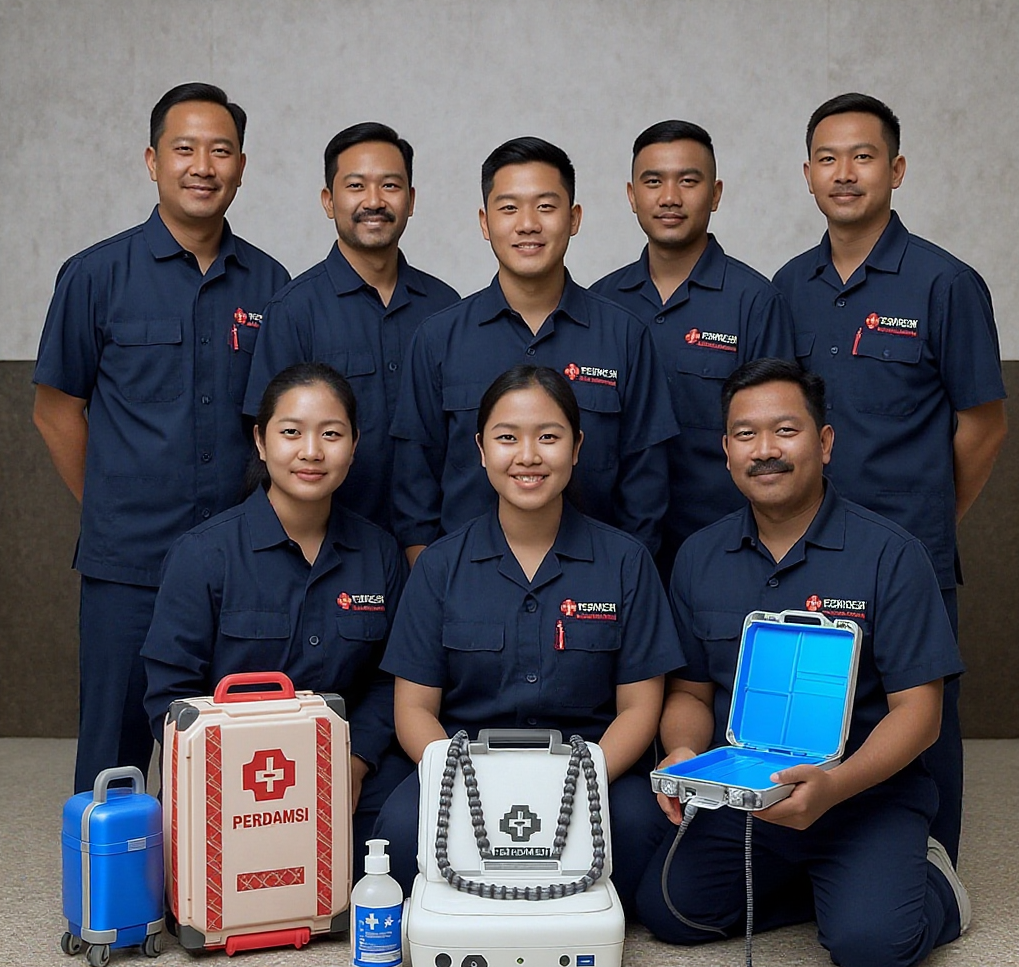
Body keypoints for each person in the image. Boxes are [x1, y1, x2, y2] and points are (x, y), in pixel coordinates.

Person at [636, 358, 969, 967]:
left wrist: (835, 787)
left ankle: (930, 883)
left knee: (874, 949)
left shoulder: (891, 555)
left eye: (785, 431)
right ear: (726, 451)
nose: (765, 451)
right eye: (745, 434)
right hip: (750, 796)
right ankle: (828, 892)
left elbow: (921, 715)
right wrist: (681, 750)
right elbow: (688, 689)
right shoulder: (699, 557)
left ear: (825, 443)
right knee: (671, 912)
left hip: (865, 795)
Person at [32, 83, 290, 794]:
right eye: (184, 148)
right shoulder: (95, 276)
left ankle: (218, 901)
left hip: (240, 562)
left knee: (231, 748)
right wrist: (108, 506)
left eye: (220, 150)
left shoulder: (271, 284)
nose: (202, 165)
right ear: (152, 161)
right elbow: (55, 410)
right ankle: (105, 902)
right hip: (129, 564)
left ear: (241, 166)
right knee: (114, 751)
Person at [772, 93, 1008, 865]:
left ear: (896, 170)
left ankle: (931, 867)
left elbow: (983, 424)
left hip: (910, 549)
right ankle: (819, 860)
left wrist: (931, 518)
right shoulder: (788, 287)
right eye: (829, 159)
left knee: (920, 711)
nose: (846, 174)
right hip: (808, 549)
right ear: (807, 174)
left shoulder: (946, 284)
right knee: (811, 710)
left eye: (864, 157)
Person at [372, 365, 682, 911]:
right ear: (481, 448)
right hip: (464, 768)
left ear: (577, 446)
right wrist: (467, 785)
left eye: (549, 436)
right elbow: (414, 709)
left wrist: (579, 783)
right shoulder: (441, 566)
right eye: (507, 438)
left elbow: (639, 707)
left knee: (642, 838)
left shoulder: (625, 561)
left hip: (589, 765)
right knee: (398, 838)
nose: (528, 456)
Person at [143, 363, 409, 863]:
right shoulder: (204, 554)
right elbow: (171, 695)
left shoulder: (379, 553)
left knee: (407, 832)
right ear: (262, 442)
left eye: (331, 434)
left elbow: (389, 679)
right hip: (225, 775)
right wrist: (229, 778)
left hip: (340, 765)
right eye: (291, 433)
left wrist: (353, 763)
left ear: (353, 446)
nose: (311, 451)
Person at [391, 137, 677, 565]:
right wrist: (437, 588)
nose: (528, 224)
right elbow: (414, 488)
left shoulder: (624, 336)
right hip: (465, 590)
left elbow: (646, 489)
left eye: (546, 206)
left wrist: (618, 587)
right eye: (509, 208)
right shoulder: (438, 338)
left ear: (574, 217)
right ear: (485, 223)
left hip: (595, 592)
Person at [591, 120, 796, 572]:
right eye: (653, 181)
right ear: (632, 195)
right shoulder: (599, 303)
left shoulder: (755, 302)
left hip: (727, 548)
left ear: (716, 193)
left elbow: (777, 434)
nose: (670, 197)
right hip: (612, 550)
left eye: (689, 180)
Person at [244, 123, 459, 532]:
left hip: (435, 546)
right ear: (329, 200)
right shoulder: (293, 310)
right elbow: (268, 448)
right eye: (356, 186)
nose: (374, 201)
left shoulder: (447, 308)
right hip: (329, 550)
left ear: (411, 200)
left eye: (391, 186)